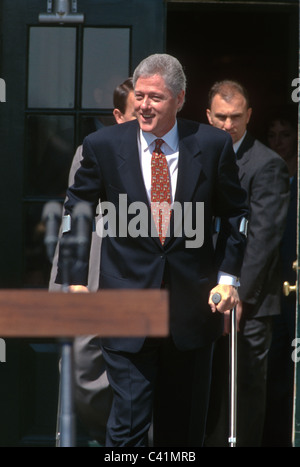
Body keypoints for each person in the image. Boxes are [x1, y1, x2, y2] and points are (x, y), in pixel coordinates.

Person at [55, 54, 248, 447]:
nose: (144, 105)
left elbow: (235, 214)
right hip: (125, 312)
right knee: (126, 428)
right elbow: (77, 212)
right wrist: (74, 280)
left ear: (179, 99)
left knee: (181, 434)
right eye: (139, 95)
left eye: (155, 98)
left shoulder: (210, 145)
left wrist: (228, 279)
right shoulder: (103, 145)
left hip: (192, 313)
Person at [49, 78, 136, 445]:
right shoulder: (93, 150)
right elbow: (77, 219)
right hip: (94, 271)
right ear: (118, 116)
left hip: (142, 284)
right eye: (136, 114)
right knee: (82, 367)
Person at [205, 80, 290, 446]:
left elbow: (264, 237)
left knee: (244, 394)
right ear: (208, 116)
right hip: (204, 297)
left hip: (249, 303)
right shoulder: (195, 154)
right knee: (205, 391)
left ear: (249, 116)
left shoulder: (266, 164)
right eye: (220, 117)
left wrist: (238, 292)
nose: (227, 125)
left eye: (236, 117)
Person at [262, 107, 298, 446]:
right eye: (272, 136)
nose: (278, 142)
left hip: (294, 278)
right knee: (275, 374)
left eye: (284, 134)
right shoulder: (267, 172)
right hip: (275, 284)